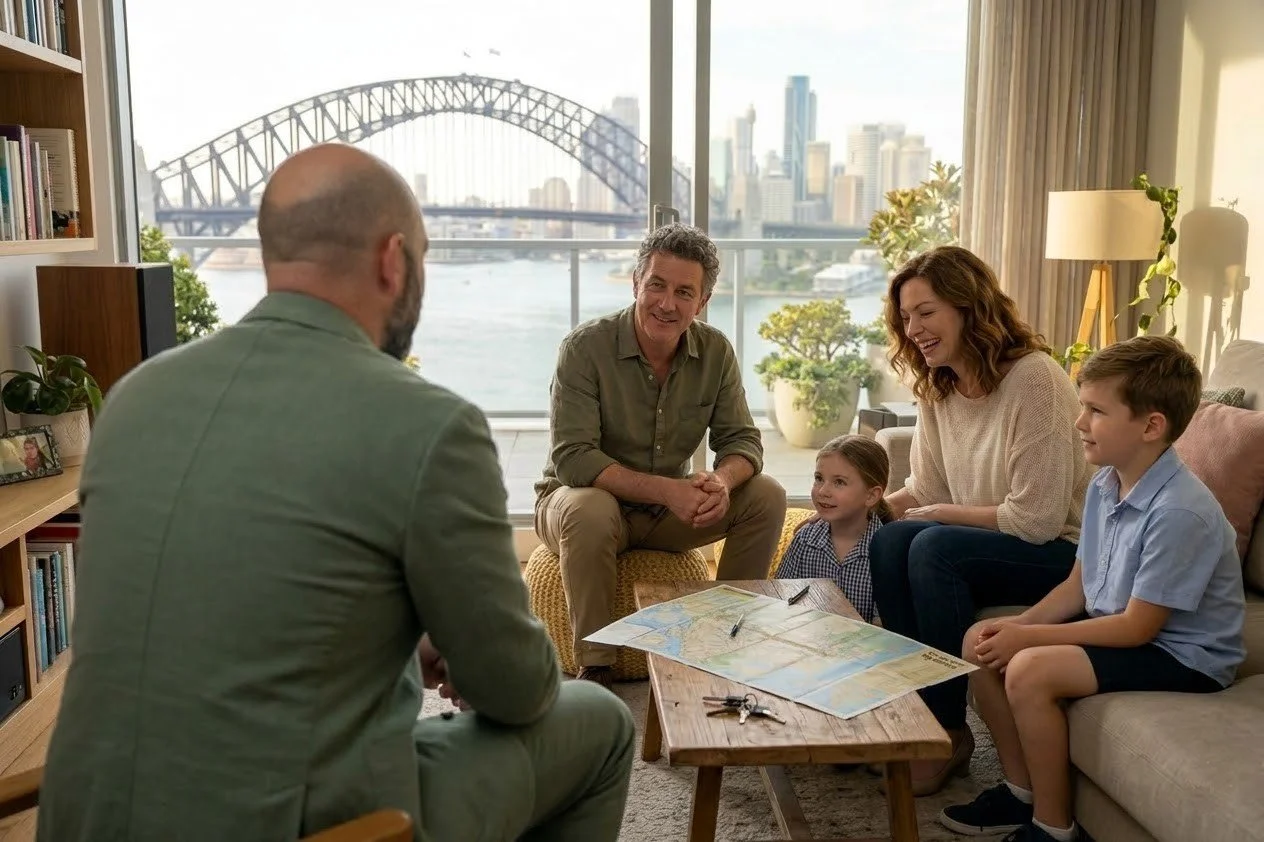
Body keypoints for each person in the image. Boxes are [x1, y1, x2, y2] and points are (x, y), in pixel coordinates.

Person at [37, 143, 635, 842]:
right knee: (600, 723)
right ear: (393, 260)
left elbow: (223, 598)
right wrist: (463, 641)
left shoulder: (135, 398)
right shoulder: (430, 425)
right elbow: (518, 690)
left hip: (84, 820)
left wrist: (397, 638)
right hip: (304, 826)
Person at [940, 335, 1246, 842]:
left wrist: (1029, 640)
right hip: (1127, 629)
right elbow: (1078, 586)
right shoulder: (1106, 483)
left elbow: (1137, 628)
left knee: (1031, 668)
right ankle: (1021, 791)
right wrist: (1014, 627)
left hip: (1182, 654)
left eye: (1096, 411)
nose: (1079, 423)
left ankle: (1054, 827)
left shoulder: (1178, 511)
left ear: (1151, 426)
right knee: (982, 640)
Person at [867, 245, 1092, 795]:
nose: (913, 328)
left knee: (931, 548)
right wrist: (861, 509)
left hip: (1061, 553)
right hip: (984, 541)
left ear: (969, 306)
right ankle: (910, 715)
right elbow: (926, 490)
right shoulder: (938, 384)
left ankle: (945, 733)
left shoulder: (1034, 379)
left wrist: (941, 516)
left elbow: (1037, 519)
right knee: (890, 541)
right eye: (905, 317)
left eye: (927, 311)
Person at [535, 222, 787, 687]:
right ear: (636, 283)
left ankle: (724, 643)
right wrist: (668, 490)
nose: (667, 304)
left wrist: (721, 483)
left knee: (767, 495)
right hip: (577, 504)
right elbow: (573, 458)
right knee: (590, 507)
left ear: (703, 302)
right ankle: (597, 665)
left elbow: (743, 442)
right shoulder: (584, 348)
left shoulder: (715, 352)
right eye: (656, 285)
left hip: (661, 515)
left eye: (684, 292)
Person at [775, 434, 891, 623]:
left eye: (839, 482)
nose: (822, 491)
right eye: (819, 478)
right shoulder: (804, 540)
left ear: (871, 496)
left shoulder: (887, 552)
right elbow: (780, 600)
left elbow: (885, 627)